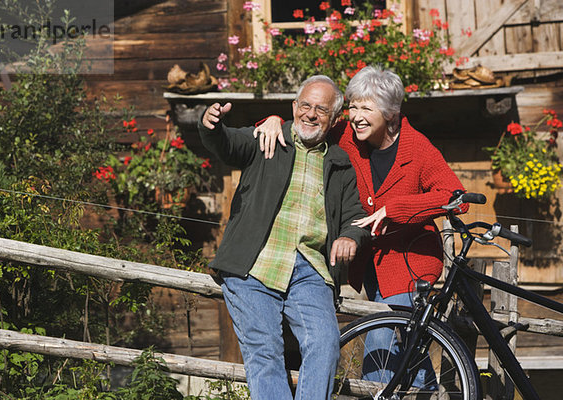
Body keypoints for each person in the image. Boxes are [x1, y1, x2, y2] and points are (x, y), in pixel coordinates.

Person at [255, 66, 467, 387]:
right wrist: (270, 122)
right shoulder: (348, 136)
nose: (356, 116)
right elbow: (308, 126)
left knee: (381, 343)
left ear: (391, 113)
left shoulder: (417, 149)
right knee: (411, 348)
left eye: (366, 108)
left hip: (410, 260)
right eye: (353, 106)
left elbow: (457, 198)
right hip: (368, 260)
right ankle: (426, 391)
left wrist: (396, 209)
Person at [198, 75, 370, 400]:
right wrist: (210, 125)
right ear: (294, 106)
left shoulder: (339, 163)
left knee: (325, 346)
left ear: (334, 119)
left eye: (321, 109)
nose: (310, 114)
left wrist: (350, 236)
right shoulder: (267, 137)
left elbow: (356, 216)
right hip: (254, 264)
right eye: (305, 105)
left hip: (311, 271)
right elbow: (227, 145)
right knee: (264, 351)